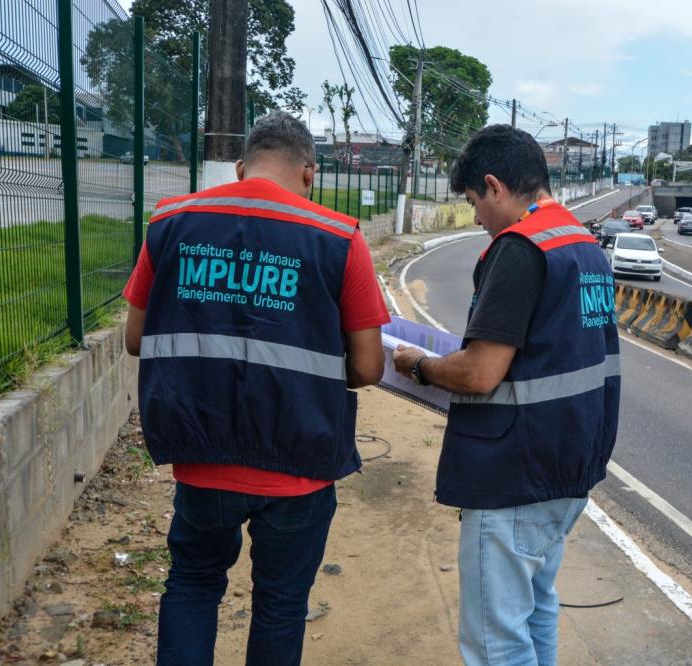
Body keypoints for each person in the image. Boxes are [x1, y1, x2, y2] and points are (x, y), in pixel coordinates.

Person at [122, 111, 389, 666]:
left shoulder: (170, 220)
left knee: (193, 585)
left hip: (202, 456)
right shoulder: (339, 238)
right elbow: (367, 367)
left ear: (241, 168)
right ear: (309, 173)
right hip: (299, 462)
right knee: (281, 604)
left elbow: (135, 338)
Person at [393, 124, 621, 665]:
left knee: (496, 640)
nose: (475, 217)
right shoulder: (581, 243)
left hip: (515, 471)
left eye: (474, 201)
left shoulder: (519, 248)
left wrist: (421, 365)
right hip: (570, 462)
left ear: (494, 186)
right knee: (536, 608)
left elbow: (479, 374)